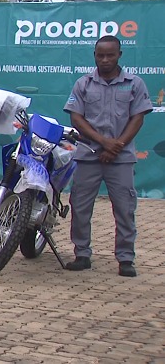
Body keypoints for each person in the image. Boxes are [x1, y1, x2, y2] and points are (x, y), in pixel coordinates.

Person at [63, 35, 152, 277]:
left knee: (124, 209)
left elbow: (138, 117)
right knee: (80, 207)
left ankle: (125, 259)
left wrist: (117, 145)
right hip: (88, 155)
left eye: (110, 55)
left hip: (121, 158)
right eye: (100, 55)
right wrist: (103, 142)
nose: (104, 59)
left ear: (119, 55)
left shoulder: (134, 83)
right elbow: (76, 118)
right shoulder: (83, 84)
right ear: (94, 55)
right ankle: (82, 254)